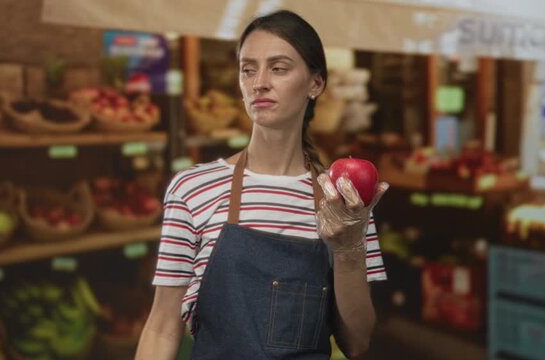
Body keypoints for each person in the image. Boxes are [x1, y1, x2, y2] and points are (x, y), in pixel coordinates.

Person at [136, 10, 388, 359]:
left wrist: (348, 248)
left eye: (279, 68)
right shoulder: (193, 189)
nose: (259, 82)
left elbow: (357, 342)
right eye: (248, 69)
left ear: (316, 83)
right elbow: (162, 327)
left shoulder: (343, 202)